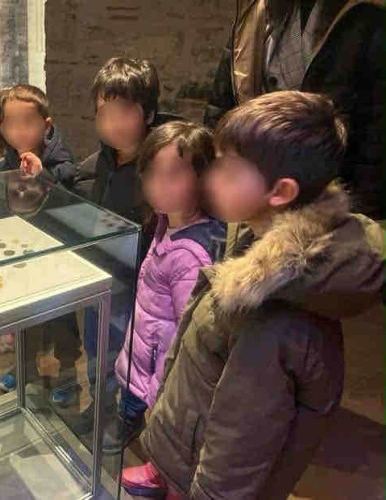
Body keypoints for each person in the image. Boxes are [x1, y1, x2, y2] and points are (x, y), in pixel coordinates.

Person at [122, 91, 384, 499]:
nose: (210, 179)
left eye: (228, 172)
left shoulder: (277, 316)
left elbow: (239, 444)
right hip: (187, 440)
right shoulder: (255, 232)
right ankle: (166, 466)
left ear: (280, 191)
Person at [104, 122, 226, 455]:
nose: (159, 185)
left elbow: (189, 333)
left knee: (156, 423)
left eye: (174, 174)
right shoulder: (167, 222)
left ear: (202, 178)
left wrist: (165, 389)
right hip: (148, 345)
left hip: (161, 363)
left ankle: (151, 445)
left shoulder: (189, 254)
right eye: (152, 173)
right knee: (132, 394)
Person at [204, 0, 384, 219]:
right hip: (252, 189)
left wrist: (363, 212)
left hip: (330, 200)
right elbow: (223, 103)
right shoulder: (255, 17)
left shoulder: (367, 18)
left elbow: (376, 130)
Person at [59, 57, 162, 432]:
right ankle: (100, 405)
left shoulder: (160, 166)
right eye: (104, 114)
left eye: (124, 112)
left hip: (141, 285)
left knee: (134, 353)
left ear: (148, 114)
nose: (112, 124)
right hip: (102, 277)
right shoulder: (97, 163)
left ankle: (129, 417)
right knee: (97, 346)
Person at [0, 84, 82, 396]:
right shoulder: (4, 164)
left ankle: (68, 372)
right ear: (0, 127)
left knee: (62, 318)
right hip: (22, 256)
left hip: (57, 256)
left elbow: (71, 198)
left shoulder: (60, 161)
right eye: (10, 123)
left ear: (46, 125)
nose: (18, 131)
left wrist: (43, 174)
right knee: (23, 316)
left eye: (27, 122)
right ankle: (24, 366)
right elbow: (0, 206)